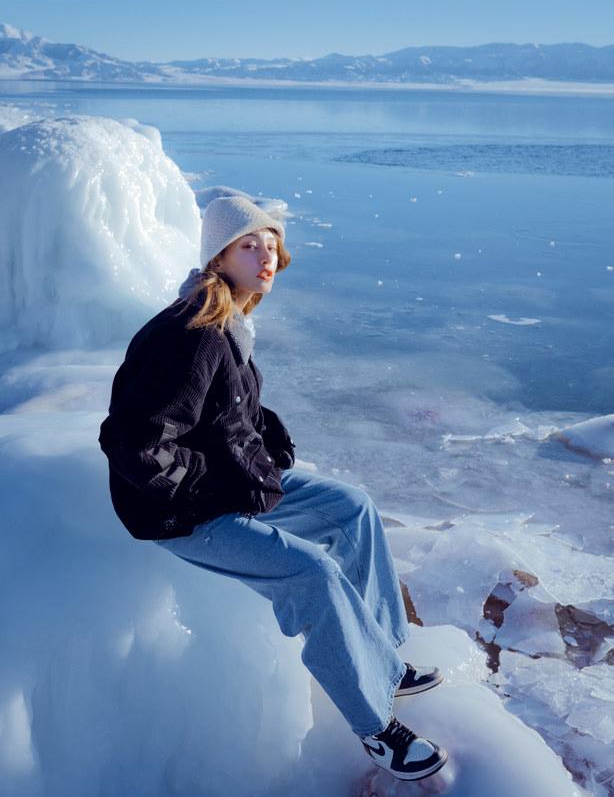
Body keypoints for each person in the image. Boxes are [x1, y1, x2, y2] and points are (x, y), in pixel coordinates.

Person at [99, 195, 448, 782]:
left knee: (352, 507)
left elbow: (228, 410)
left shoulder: (228, 321)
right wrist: (209, 490)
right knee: (314, 574)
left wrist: (268, 444)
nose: (266, 256)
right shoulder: (195, 334)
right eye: (249, 245)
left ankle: (382, 658)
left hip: (229, 486)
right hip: (180, 515)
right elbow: (134, 443)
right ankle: (376, 729)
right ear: (219, 255)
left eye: (270, 245)